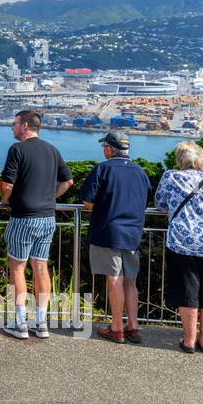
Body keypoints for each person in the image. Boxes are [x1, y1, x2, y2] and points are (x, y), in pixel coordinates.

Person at [153, 141, 203, 354]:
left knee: (188, 290)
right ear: (202, 160)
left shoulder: (171, 177)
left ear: (179, 160)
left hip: (183, 242)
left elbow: (159, 203)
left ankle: (189, 340)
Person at [0, 110, 73, 339]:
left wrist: (4, 200)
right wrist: (50, 197)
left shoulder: (17, 150)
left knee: (18, 267)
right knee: (41, 267)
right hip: (47, 217)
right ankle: (41, 322)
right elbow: (68, 181)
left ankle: (19, 322)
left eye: (14, 124)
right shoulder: (52, 149)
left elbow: (8, 184)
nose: (12, 128)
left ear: (24, 125)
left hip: (24, 217)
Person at [80, 132, 153, 344]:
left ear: (109, 149)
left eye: (104, 147)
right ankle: (133, 326)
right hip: (133, 232)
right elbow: (145, 200)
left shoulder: (103, 169)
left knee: (114, 278)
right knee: (130, 280)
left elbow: (88, 202)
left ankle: (117, 328)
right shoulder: (140, 172)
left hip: (108, 231)